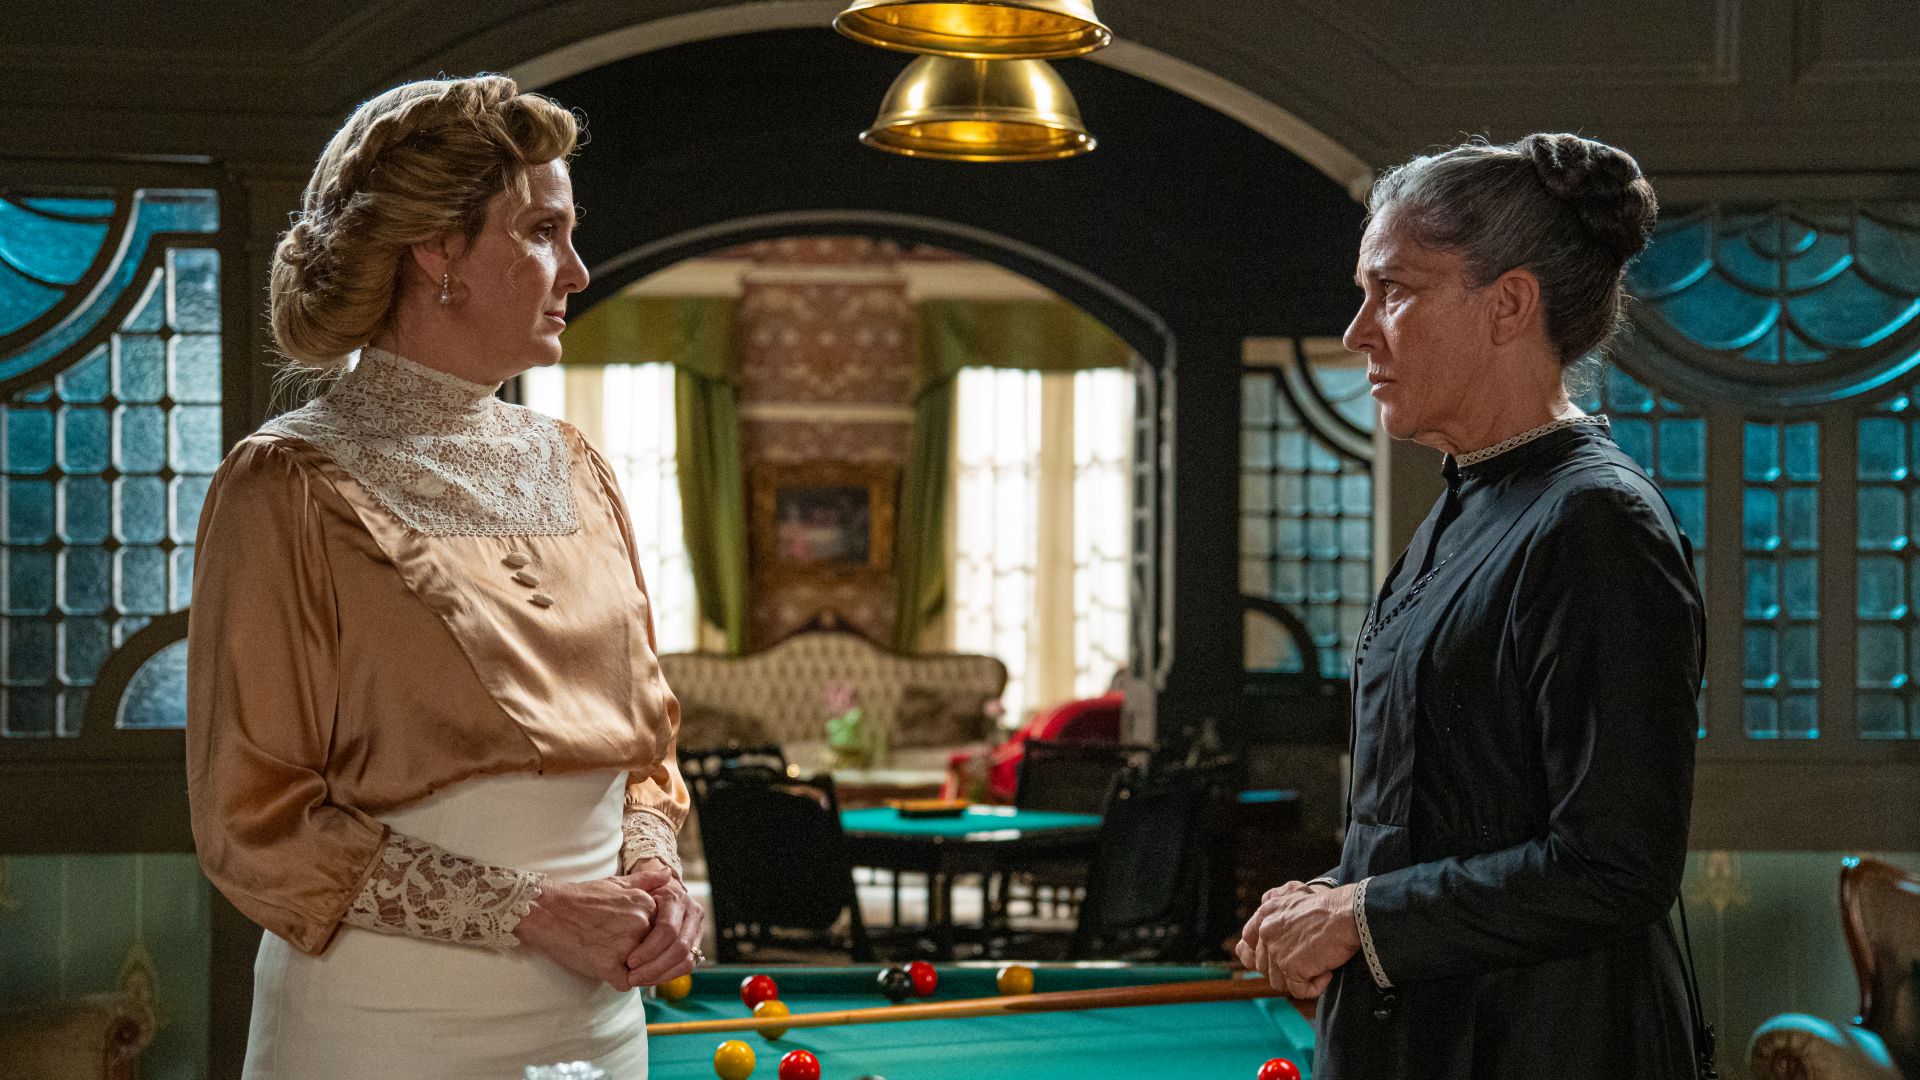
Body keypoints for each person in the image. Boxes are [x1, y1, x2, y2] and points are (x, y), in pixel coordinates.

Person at [185, 75, 703, 1078]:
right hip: (387, 1024)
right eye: (543, 232)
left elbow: (647, 753)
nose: (577, 270)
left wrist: (655, 871)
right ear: (436, 251)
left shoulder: (578, 467)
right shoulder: (286, 483)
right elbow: (254, 823)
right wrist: (531, 910)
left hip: (599, 1022)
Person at [1235, 133, 1707, 1079]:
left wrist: (1359, 914)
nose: (1358, 331)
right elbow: (1442, 812)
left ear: (1509, 304)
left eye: (1393, 290)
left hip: (1545, 1048)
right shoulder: (1470, 499)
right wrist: (1328, 899)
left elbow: (1617, 865)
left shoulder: (1598, 522)